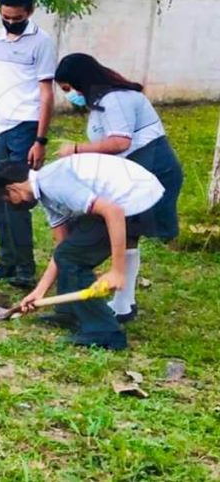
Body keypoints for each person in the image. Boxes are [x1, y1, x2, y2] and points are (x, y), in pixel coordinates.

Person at [53, 53, 184, 323]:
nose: (70, 96)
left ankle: (121, 303)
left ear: (80, 81)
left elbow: (120, 142)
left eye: (68, 89)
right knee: (128, 233)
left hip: (152, 170)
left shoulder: (117, 100)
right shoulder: (103, 102)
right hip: (132, 171)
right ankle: (124, 304)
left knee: (126, 230)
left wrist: (76, 149)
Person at [0, 154, 164, 350]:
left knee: (72, 257)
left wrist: (117, 270)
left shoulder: (53, 184)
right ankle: (70, 312)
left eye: (8, 199)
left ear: (12, 188)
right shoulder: (46, 194)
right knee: (68, 252)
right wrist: (39, 292)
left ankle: (105, 332)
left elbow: (113, 211)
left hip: (140, 199)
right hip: (134, 196)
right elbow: (62, 247)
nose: (13, 204)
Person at [0, 0, 57, 289]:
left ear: (31, 11)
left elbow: (46, 94)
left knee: (18, 196)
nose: (11, 22)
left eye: (17, 18)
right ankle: (6, 263)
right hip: (2, 127)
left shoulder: (42, 42)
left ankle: (25, 269)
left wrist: (40, 140)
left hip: (26, 126)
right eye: (6, 17)